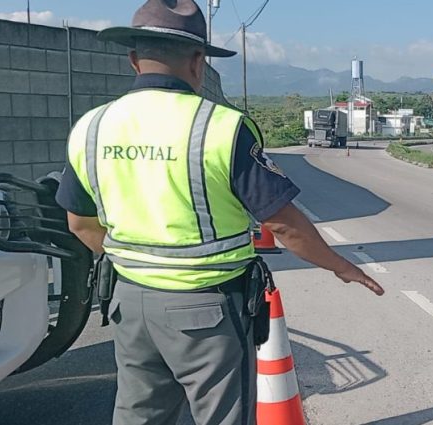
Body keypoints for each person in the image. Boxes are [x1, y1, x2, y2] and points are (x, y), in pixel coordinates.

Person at [54, 1, 384, 424]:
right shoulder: (222, 127)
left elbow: (79, 222)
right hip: (207, 309)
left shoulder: (91, 127)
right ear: (197, 62)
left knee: (140, 413)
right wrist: (339, 265)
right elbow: (283, 223)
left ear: (133, 59)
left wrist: (141, 262)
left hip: (128, 302)